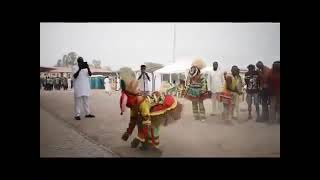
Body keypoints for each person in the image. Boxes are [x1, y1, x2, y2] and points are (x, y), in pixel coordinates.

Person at [119, 69, 182, 152]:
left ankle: (155, 147)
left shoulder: (141, 104)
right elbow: (133, 120)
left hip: (155, 110)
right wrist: (128, 133)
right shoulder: (133, 106)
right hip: (148, 111)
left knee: (152, 128)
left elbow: (146, 122)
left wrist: (138, 138)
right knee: (141, 124)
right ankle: (146, 144)